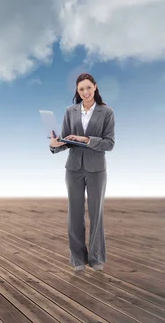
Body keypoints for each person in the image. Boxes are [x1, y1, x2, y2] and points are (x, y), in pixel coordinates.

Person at [49, 72, 115, 272]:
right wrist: (54, 145)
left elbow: (109, 144)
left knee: (96, 214)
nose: (85, 92)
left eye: (88, 87)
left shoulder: (107, 112)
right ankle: (77, 259)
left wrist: (86, 140)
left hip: (96, 169)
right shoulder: (70, 111)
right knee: (75, 214)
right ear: (77, 92)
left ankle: (96, 258)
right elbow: (66, 141)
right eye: (81, 89)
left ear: (95, 87)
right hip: (74, 168)